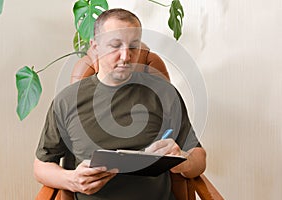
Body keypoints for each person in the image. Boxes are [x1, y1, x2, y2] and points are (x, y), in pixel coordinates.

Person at [34, 8, 206, 200]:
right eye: (115, 46)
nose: (126, 56)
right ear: (96, 47)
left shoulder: (164, 93)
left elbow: (199, 157)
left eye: (133, 46)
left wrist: (184, 161)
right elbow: (41, 166)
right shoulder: (66, 101)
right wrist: (71, 179)